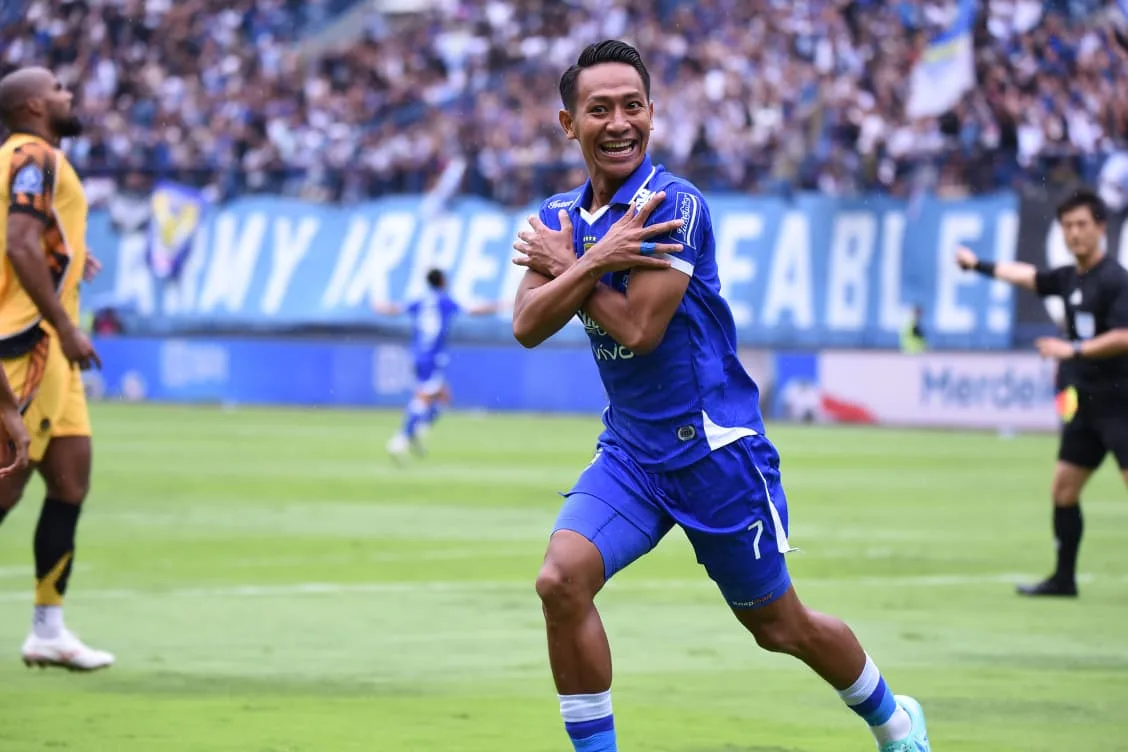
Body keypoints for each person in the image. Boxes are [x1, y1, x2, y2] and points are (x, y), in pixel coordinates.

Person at [511, 40, 930, 752]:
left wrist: (579, 263)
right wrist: (595, 258)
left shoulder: (673, 205)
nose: (619, 123)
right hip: (632, 454)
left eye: (633, 106)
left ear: (653, 114)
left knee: (780, 627)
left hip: (714, 452)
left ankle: (895, 722)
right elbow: (526, 324)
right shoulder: (560, 215)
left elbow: (640, 329)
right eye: (599, 109)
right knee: (560, 581)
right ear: (567, 124)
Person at [956, 188, 1128, 598]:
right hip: (1087, 406)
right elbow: (1026, 276)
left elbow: (1124, 335)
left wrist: (1074, 350)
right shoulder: (1070, 278)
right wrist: (977, 264)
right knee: (1063, 490)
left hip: (1121, 405)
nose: (1074, 233)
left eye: (1082, 224)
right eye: (1067, 226)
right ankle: (1064, 580)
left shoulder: (1116, 280)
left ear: (1101, 228)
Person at [0, 66, 113, 670]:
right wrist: (66, 326)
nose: (69, 96)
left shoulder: (24, 160)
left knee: (70, 481)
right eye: (58, 90)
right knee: (6, 486)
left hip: (52, 356)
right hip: (30, 346)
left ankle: (48, 629)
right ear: (35, 107)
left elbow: (27, 236)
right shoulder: (34, 156)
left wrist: (65, 253)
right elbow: (18, 242)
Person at [374, 268, 500, 459]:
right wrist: (499, 306)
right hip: (432, 356)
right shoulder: (444, 301)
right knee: (423, 398)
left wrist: (380, 307)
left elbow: (395, 309)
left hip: (418, 354)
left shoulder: (420, 300)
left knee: (443, 397)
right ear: (441, 281)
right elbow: (473, 310)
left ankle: (417, 430)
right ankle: (402, 438)